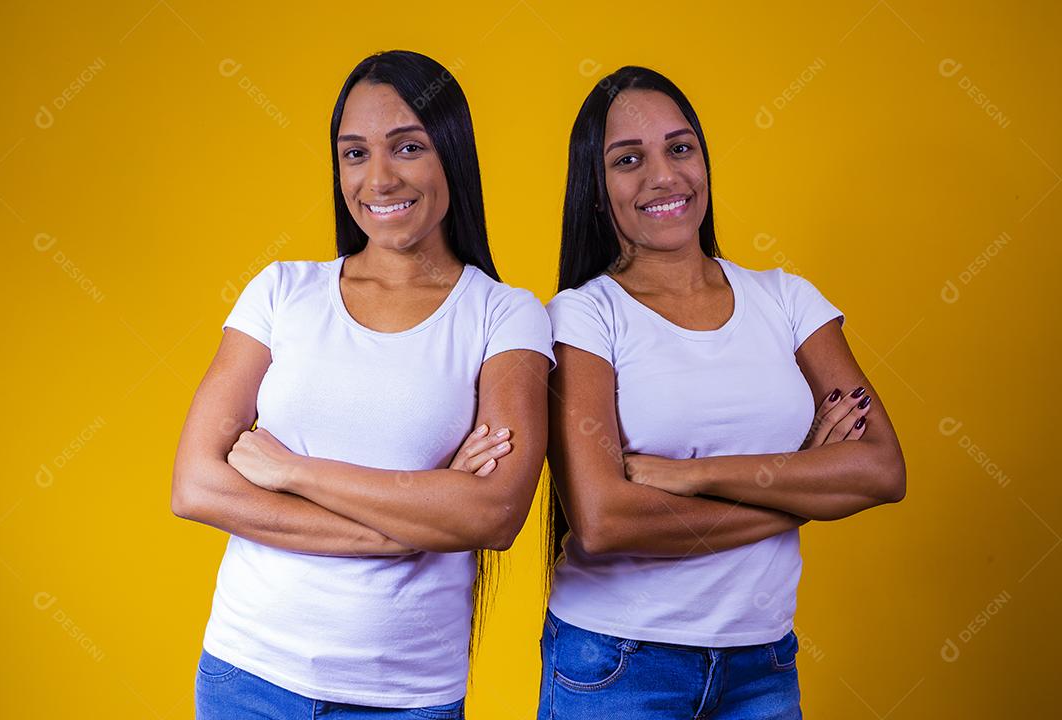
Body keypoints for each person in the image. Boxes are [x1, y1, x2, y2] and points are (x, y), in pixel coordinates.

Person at [171, 50, 554, 720]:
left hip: (405, 700)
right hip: (247, 677)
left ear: (452, 155)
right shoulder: (282, 292)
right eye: (354, 154)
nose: (378, 178)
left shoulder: (505, 314)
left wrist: (291, 470)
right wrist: (407, 528)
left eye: (406, 147)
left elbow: (494, 515)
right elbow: (195, 486)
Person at [537, 65, 906, 719]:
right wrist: (803, 489)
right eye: (629, 160)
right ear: (597, 189)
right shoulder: (583, 317)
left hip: (761, 667)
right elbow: (603, 521)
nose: (664, 177)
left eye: (680, 148)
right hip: (620, 666)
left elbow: (881, 469)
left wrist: (689, 476)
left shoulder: (789, 301)